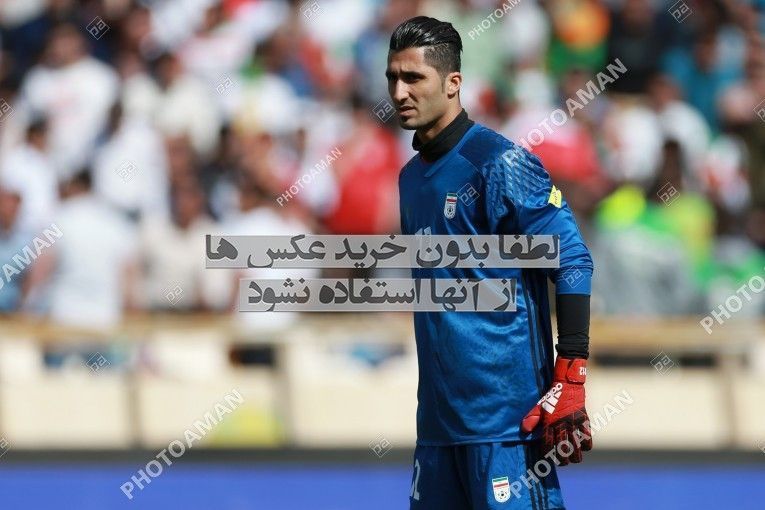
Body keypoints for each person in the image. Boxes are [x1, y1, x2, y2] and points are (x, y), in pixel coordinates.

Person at [388, 17, 594, 510]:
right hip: (437, 429)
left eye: (413, 78)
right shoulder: (410, 179)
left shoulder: (499, 162)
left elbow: (572, 259)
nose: (398, 92)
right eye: (392, 77)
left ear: (453, 82)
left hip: (507, 426)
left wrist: (570, 374)